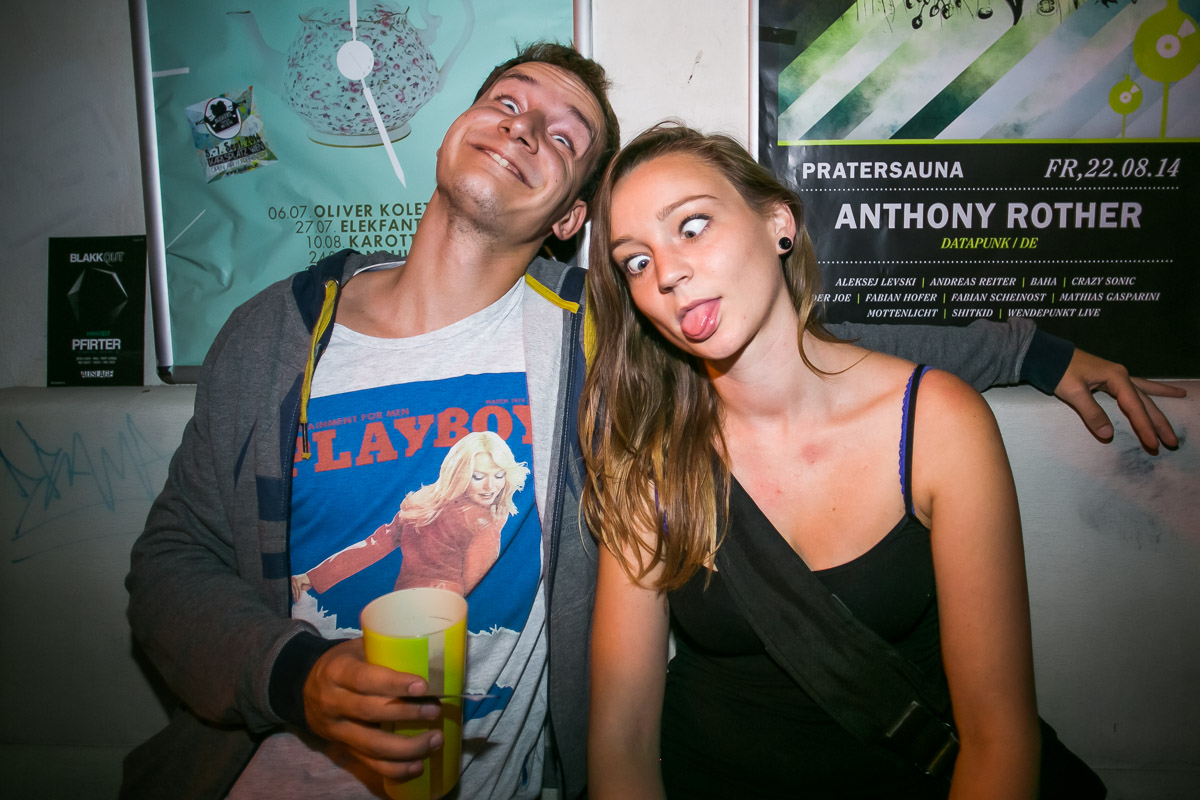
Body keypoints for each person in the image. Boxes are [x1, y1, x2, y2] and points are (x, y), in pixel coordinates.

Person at [123, 40, 1182, 800]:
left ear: (567, 217)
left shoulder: (591, 341)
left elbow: (806, 339)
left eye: (563, 134)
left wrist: (1033, 352)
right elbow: (171, 562)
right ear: (457, 127)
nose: (524, 127)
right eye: (507, 102)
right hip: (278, 762)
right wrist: (294, 676)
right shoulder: (273, 335)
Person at [581, 124, 1037, 797]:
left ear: (778, 224)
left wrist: (1042, 353)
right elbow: (621, 738)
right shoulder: (651, 458)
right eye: (637, 262)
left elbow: (999, 737)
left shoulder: (938, 423)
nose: (668, 272)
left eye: (693, 226)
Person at [291, 431, 530, 600]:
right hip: (445, 614)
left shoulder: (420, 504)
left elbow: (373, 545)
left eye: (499, 475)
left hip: (402, 605)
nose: (490, 486)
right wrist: (494, 529)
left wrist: (313, 576)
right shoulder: (484, 522)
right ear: (458, 473)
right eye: (478, 476)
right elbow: (479, 587)